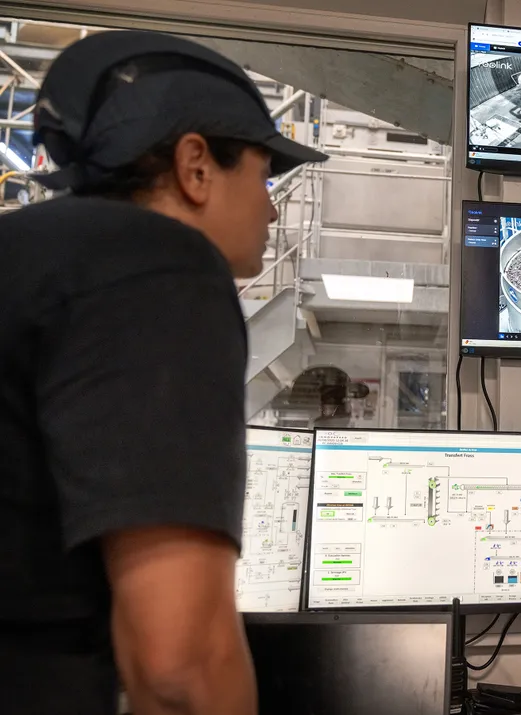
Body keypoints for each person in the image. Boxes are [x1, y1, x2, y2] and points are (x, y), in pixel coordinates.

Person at [0, 31, 326, 715]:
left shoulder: (34, 258)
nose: (271, 208)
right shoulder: (159, 268)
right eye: (264, 177)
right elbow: (181, 664)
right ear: (196, 166)